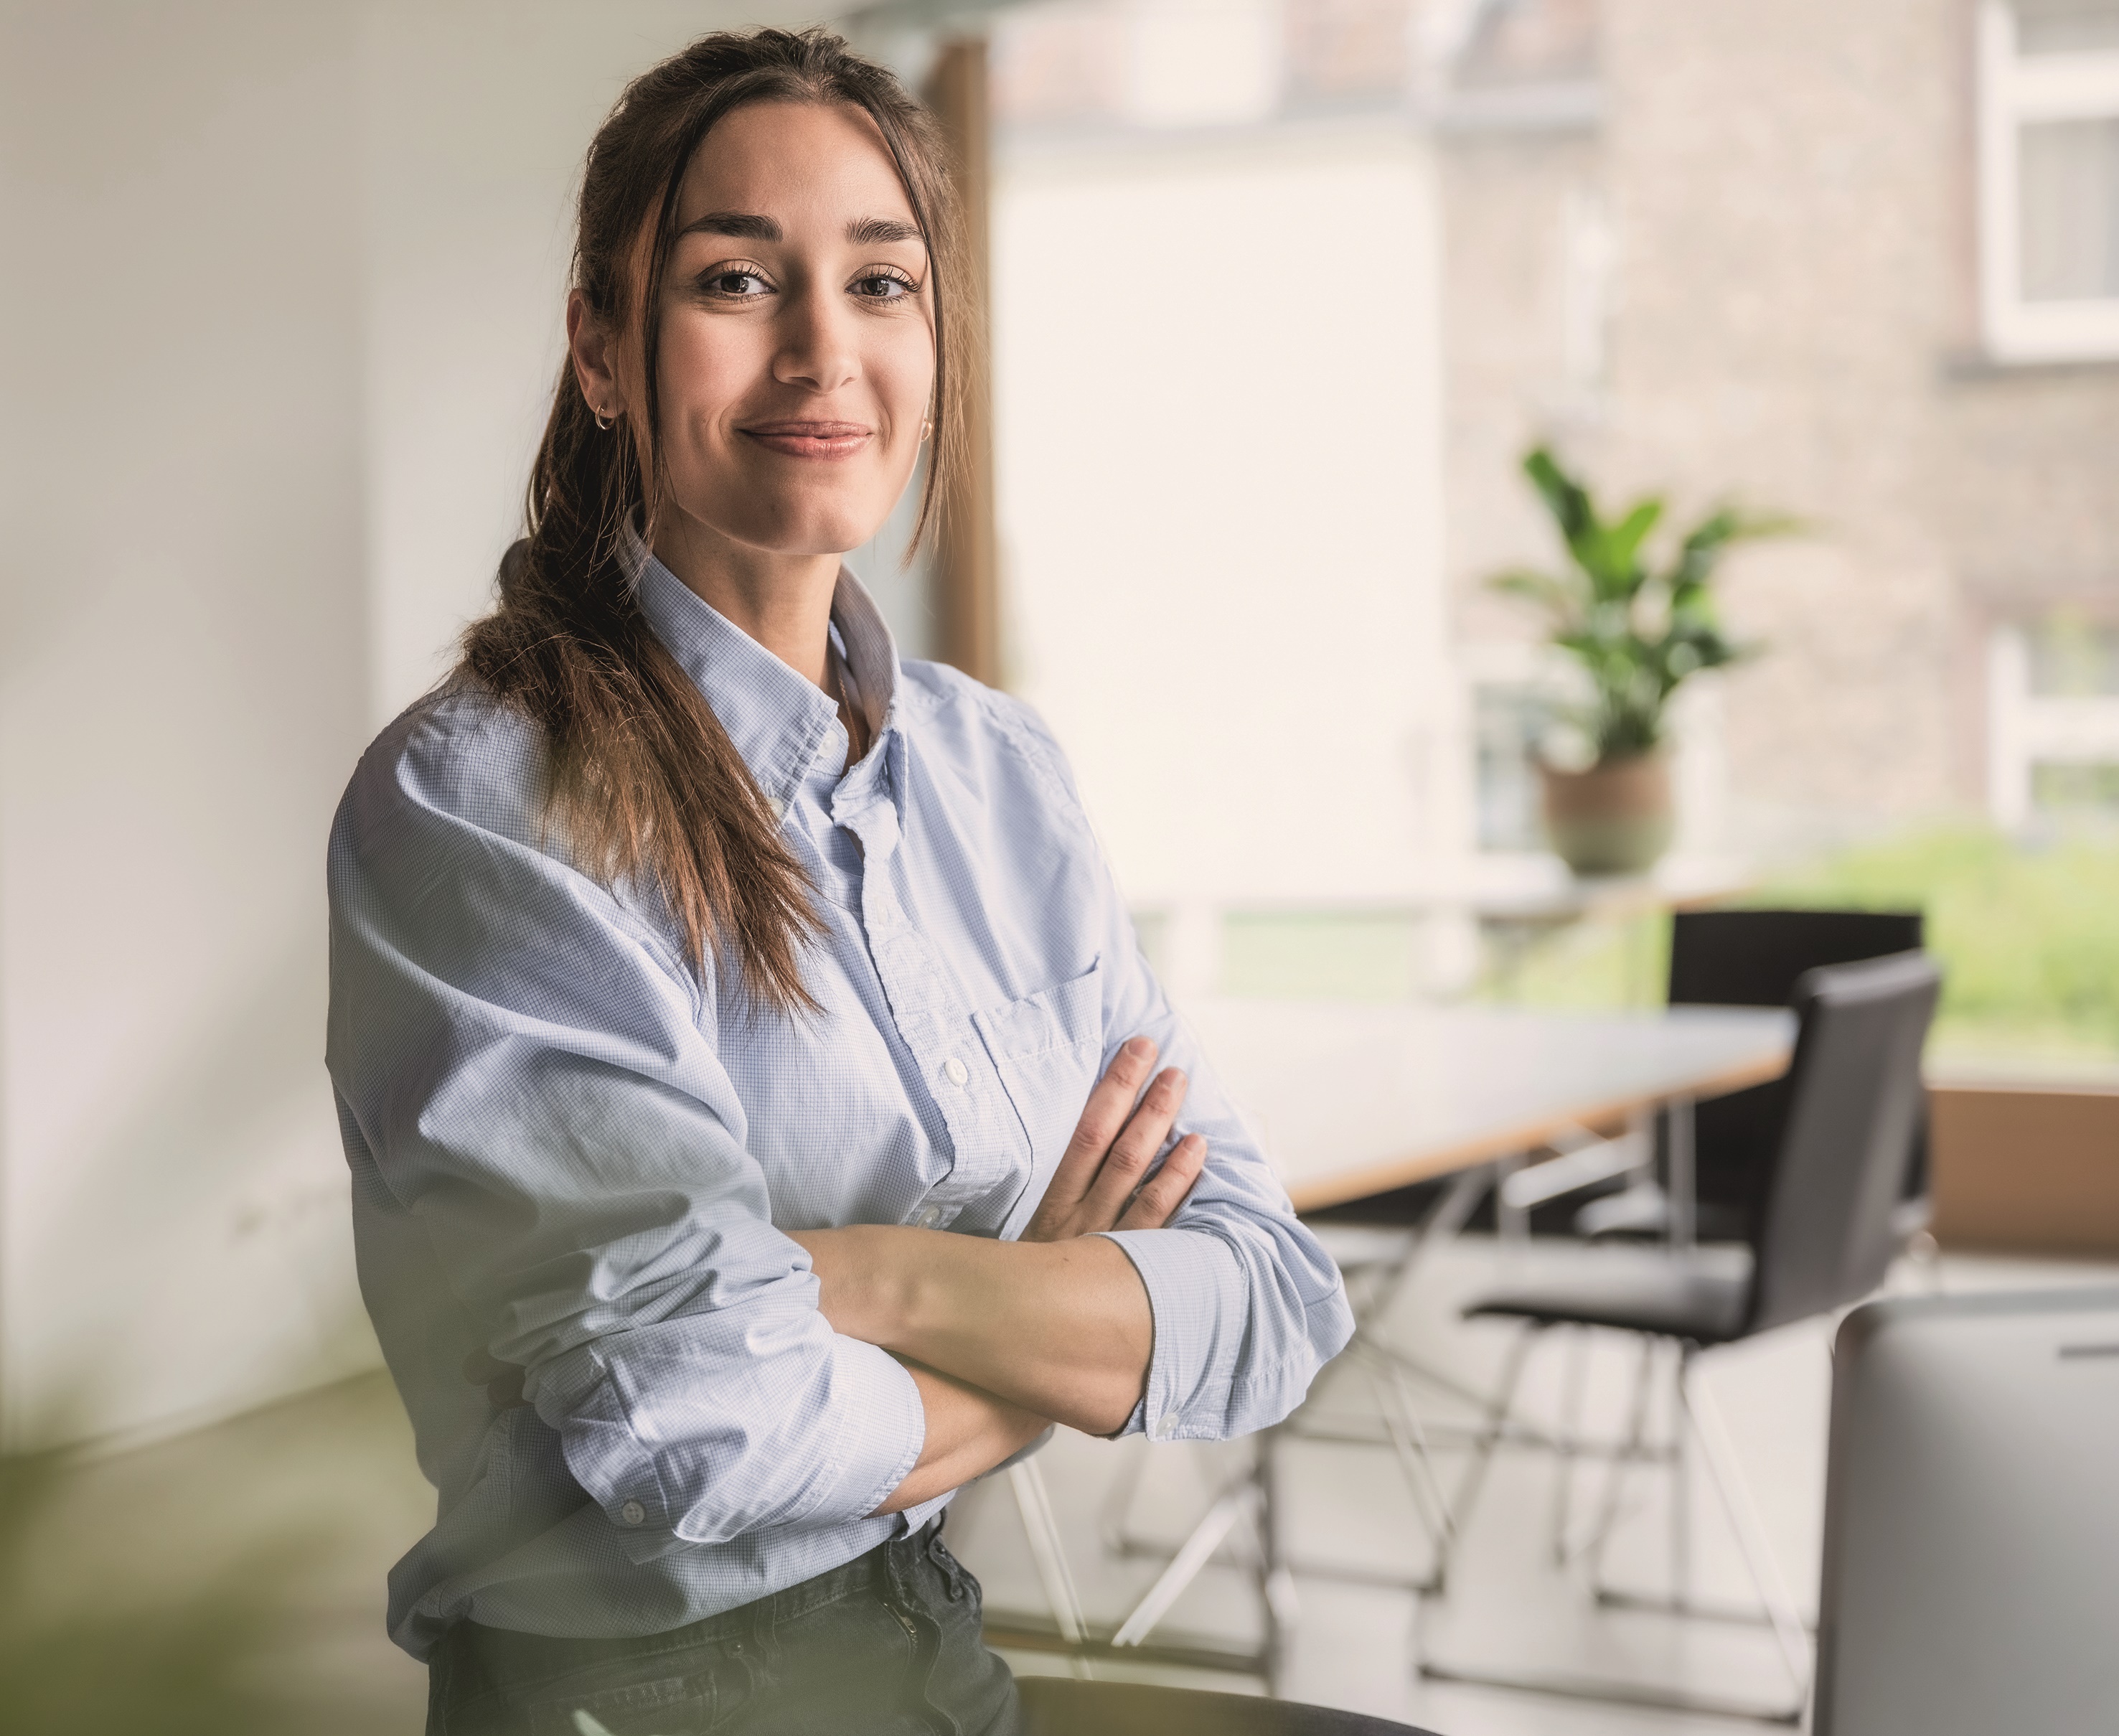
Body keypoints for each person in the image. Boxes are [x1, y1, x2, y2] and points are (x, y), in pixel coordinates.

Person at [326, 27, 1353, 1735]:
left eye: (882, 282)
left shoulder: (995, 778)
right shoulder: (486, 806)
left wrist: (866, 1275)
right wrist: (1054, 1328)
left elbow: (1269, 1292)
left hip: (930, 1639)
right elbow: (694, 1425)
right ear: (601, 343)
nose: (824, 351)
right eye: (738, 278)